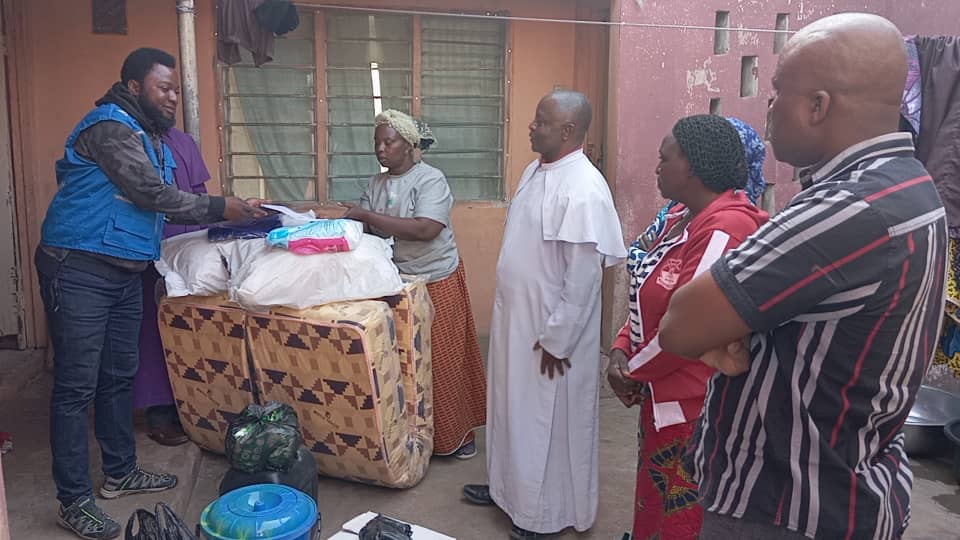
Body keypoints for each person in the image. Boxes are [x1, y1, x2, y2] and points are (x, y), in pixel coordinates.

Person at [658, 13, 947, 540]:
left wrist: (724, 332)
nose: (769, 107)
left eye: (777, 91)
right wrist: (727, 327)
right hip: (845, 485)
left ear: (818, 106)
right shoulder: (908, 185)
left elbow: (680, 326)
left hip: (788, 506)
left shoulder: (850, 208)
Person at [36, 47, 262, 540]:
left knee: (119, 376)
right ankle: (73, 500)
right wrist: (221, 206)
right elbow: (151, 195)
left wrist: (229, 211)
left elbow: (164, 203)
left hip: (123, 268)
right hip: (78, 266)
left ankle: (119, 472)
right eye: (164, 88)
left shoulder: (150, 136)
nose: (174, 97)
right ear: (135, 87)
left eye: (176, 89)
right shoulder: (110, 127)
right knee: (76, 387)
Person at [462, 90, 626, 539]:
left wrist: (559, 339)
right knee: (509, 408)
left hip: (551, 336)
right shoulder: (534, 171)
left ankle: (542, 517)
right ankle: (505, 490)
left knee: (546, 423)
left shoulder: (585, 189)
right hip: (516, 323)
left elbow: (583, 279)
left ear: (568, 130)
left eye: (542, 121)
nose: (532, 127)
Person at [606, 115, 768, 540]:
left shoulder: (726, 229)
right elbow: (647, 292)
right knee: (652, 507)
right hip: (659, 396)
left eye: (665, 158)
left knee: (680, 520)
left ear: (692, 166)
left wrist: (632, 371)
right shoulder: (678, 216)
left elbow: (690, 325)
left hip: (695, 408)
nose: (657, 167)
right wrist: (621, 347)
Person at [340, 109, 487, 458]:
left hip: (436, 278)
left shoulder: (430, 179)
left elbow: (426, 229)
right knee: (405, 363)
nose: (381, 149)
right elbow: (367, 228)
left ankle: (456, 437)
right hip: (397, 283)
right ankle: (412, 438)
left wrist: (366, 216)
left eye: (389, 142)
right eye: (377, 142)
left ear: (408, 145)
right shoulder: (376, 184)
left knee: (443, 360)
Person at [134, 126, 212, 447]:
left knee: (188, 332)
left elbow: (200, 196)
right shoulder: (129, 139)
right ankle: (159, 411)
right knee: (153, 334)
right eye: (161, 97)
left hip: (187, 254)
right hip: (148, 252)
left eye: (174, 98)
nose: (170, 102)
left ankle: (190, 405)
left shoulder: (183, 141)